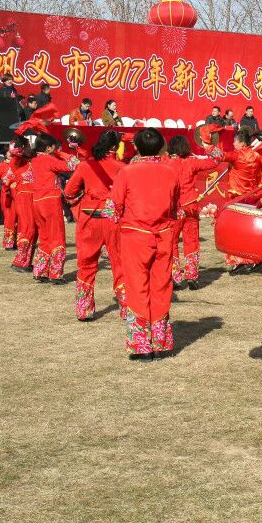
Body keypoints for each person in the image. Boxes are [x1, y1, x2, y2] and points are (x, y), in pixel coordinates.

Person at [104, 128, 181, 360]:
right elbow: (176, 208)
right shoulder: (171, 172)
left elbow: (113, 209)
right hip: (163, 235)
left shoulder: (127, 172)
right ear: (161, 147)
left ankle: (141, 345)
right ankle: (160, 341)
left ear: (136, 147)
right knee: (161, 286)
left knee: (137, 288)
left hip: (135, 235)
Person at [64, 130, 123, 320]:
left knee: (87, 265)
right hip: (114, 220)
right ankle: (127, 307)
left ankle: (84, 309)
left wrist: (81, 202)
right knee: (120, 265)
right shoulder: (122, 168)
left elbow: (69, 192)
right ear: (114, 147)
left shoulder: (84, 166)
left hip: (90, 219)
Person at [168, 135, 221, 291]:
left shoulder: (167, 163)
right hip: (191, 205)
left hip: (175, 207)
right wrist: (208, 145)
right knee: (191, 241)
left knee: (171, 242)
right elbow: (216, 161)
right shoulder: (192, 162)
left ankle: (175, 276)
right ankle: (192, 275)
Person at [28, 132, 79, 282]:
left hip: (37, 201)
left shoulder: (34, 161)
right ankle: (56, 274)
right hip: (50, 201)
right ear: (49, 148)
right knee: (57, 236)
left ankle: (40, 271)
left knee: (44, 237)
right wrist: (59, 152)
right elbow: (74, 164)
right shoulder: (48, 159)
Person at [221, 128, 262, 274]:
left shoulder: (237, 155)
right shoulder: (257, 156)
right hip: (251, 196)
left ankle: (239, 261)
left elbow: (218, 155)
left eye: (235, 141)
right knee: (248, 229)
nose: (233, 144)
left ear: (241, 142)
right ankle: (254, 258)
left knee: (234, 230)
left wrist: (207, 142)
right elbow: (258, 177)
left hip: (236, 197)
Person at [6, 138, 38, 270]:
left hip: (34, 197)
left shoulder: (34, 160)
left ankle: (26, 261)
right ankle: (19, 262)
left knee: (34, 230)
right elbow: (15, 154)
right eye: (28, 145)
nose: (31, 147)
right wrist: (19, 144)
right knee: (27, 228)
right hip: (23, 198)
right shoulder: (17, 161)